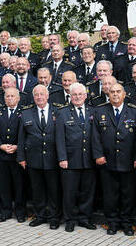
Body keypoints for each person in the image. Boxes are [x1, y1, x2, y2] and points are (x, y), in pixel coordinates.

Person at [92, 83, 136, 236]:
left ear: (124, 94)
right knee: (110, 195)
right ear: (108, 94)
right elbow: (95, 136)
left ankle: (127, 223)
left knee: (128, 194)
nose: (114, 94)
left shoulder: (134, 112)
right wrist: (98, 155)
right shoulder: (100, 111)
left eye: (118, 91)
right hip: (107, 161)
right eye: (112, 92)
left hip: (128, 162)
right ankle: (112, 223)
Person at [18, 85, 61, 229]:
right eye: (36, 94)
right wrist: (21, 158)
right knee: (37, 190)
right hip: (33, 158)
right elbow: (21, 138)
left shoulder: (58, 111)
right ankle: (40, 215)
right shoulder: (26, 113)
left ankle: (54, 217)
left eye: (42, 94)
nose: (39, 97)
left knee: (53, 190)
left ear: (47, 95)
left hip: (53, 158)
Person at [56, 82, 96, 232]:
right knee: (69, 192)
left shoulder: (93, 111)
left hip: (89, 159)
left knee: (87, 191)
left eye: (80, 94)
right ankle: (70, 219)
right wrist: (62, 158)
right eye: (74, 95)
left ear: (85, 96)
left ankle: (84, 218)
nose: (77, 97)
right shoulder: (63, 112)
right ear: (70, 96)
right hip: (70, 160)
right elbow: (59, 138)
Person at [0, 87, 25, 223]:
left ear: (18, 98)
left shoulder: (24, 112)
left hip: (17, 156)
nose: (9, 98)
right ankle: (6, 211)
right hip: (2, 155)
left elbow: (25, 132)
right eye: (7, 96)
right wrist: (1, 145)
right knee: (4, 185)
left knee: (19, 185)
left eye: (12, 96)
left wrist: (17, 146)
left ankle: (20, 212)